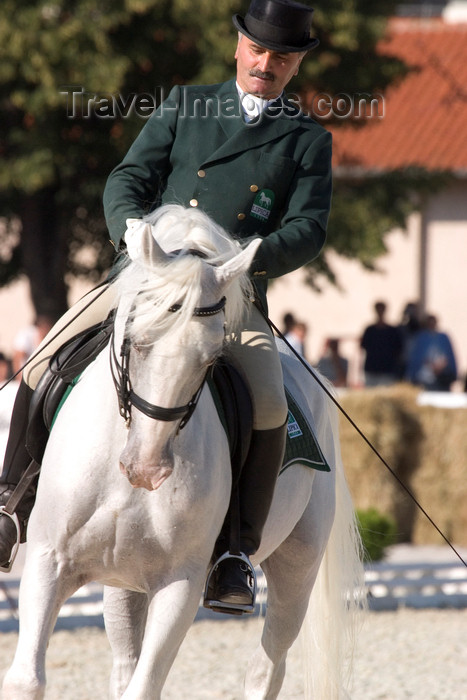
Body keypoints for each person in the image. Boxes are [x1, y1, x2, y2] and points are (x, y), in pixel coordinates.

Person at [0, 0, 332, 612]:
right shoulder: (185, 104)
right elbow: (128, 179)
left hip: (230, 294)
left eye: (281, 56)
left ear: (296, 64)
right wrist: (131, 230)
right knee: (47, 358)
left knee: (269, 398)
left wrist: (248, 257)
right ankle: (10, 503)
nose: (266, 64)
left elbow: (310, 226)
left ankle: (235, 548)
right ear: (239, 46)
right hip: (150, 279)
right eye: (258, 50)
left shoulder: (307, 137)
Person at [406, 314, 457, 391]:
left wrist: (442, 366)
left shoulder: (443, 337)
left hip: (442, 378)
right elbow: (416, 357)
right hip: (424, 377)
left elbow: (449, 356)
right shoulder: (421, 337)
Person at [360, 301, 403, 387]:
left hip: (387, 369)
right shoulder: (370, 330)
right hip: (371, 368)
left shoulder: (392, 331)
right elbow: (363, 346)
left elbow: (398, 349)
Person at [12, 314, 55, 378]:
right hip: (25, 375)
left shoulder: (46, 338)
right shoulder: (27, 334)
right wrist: (19, 378)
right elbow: (18, 357)